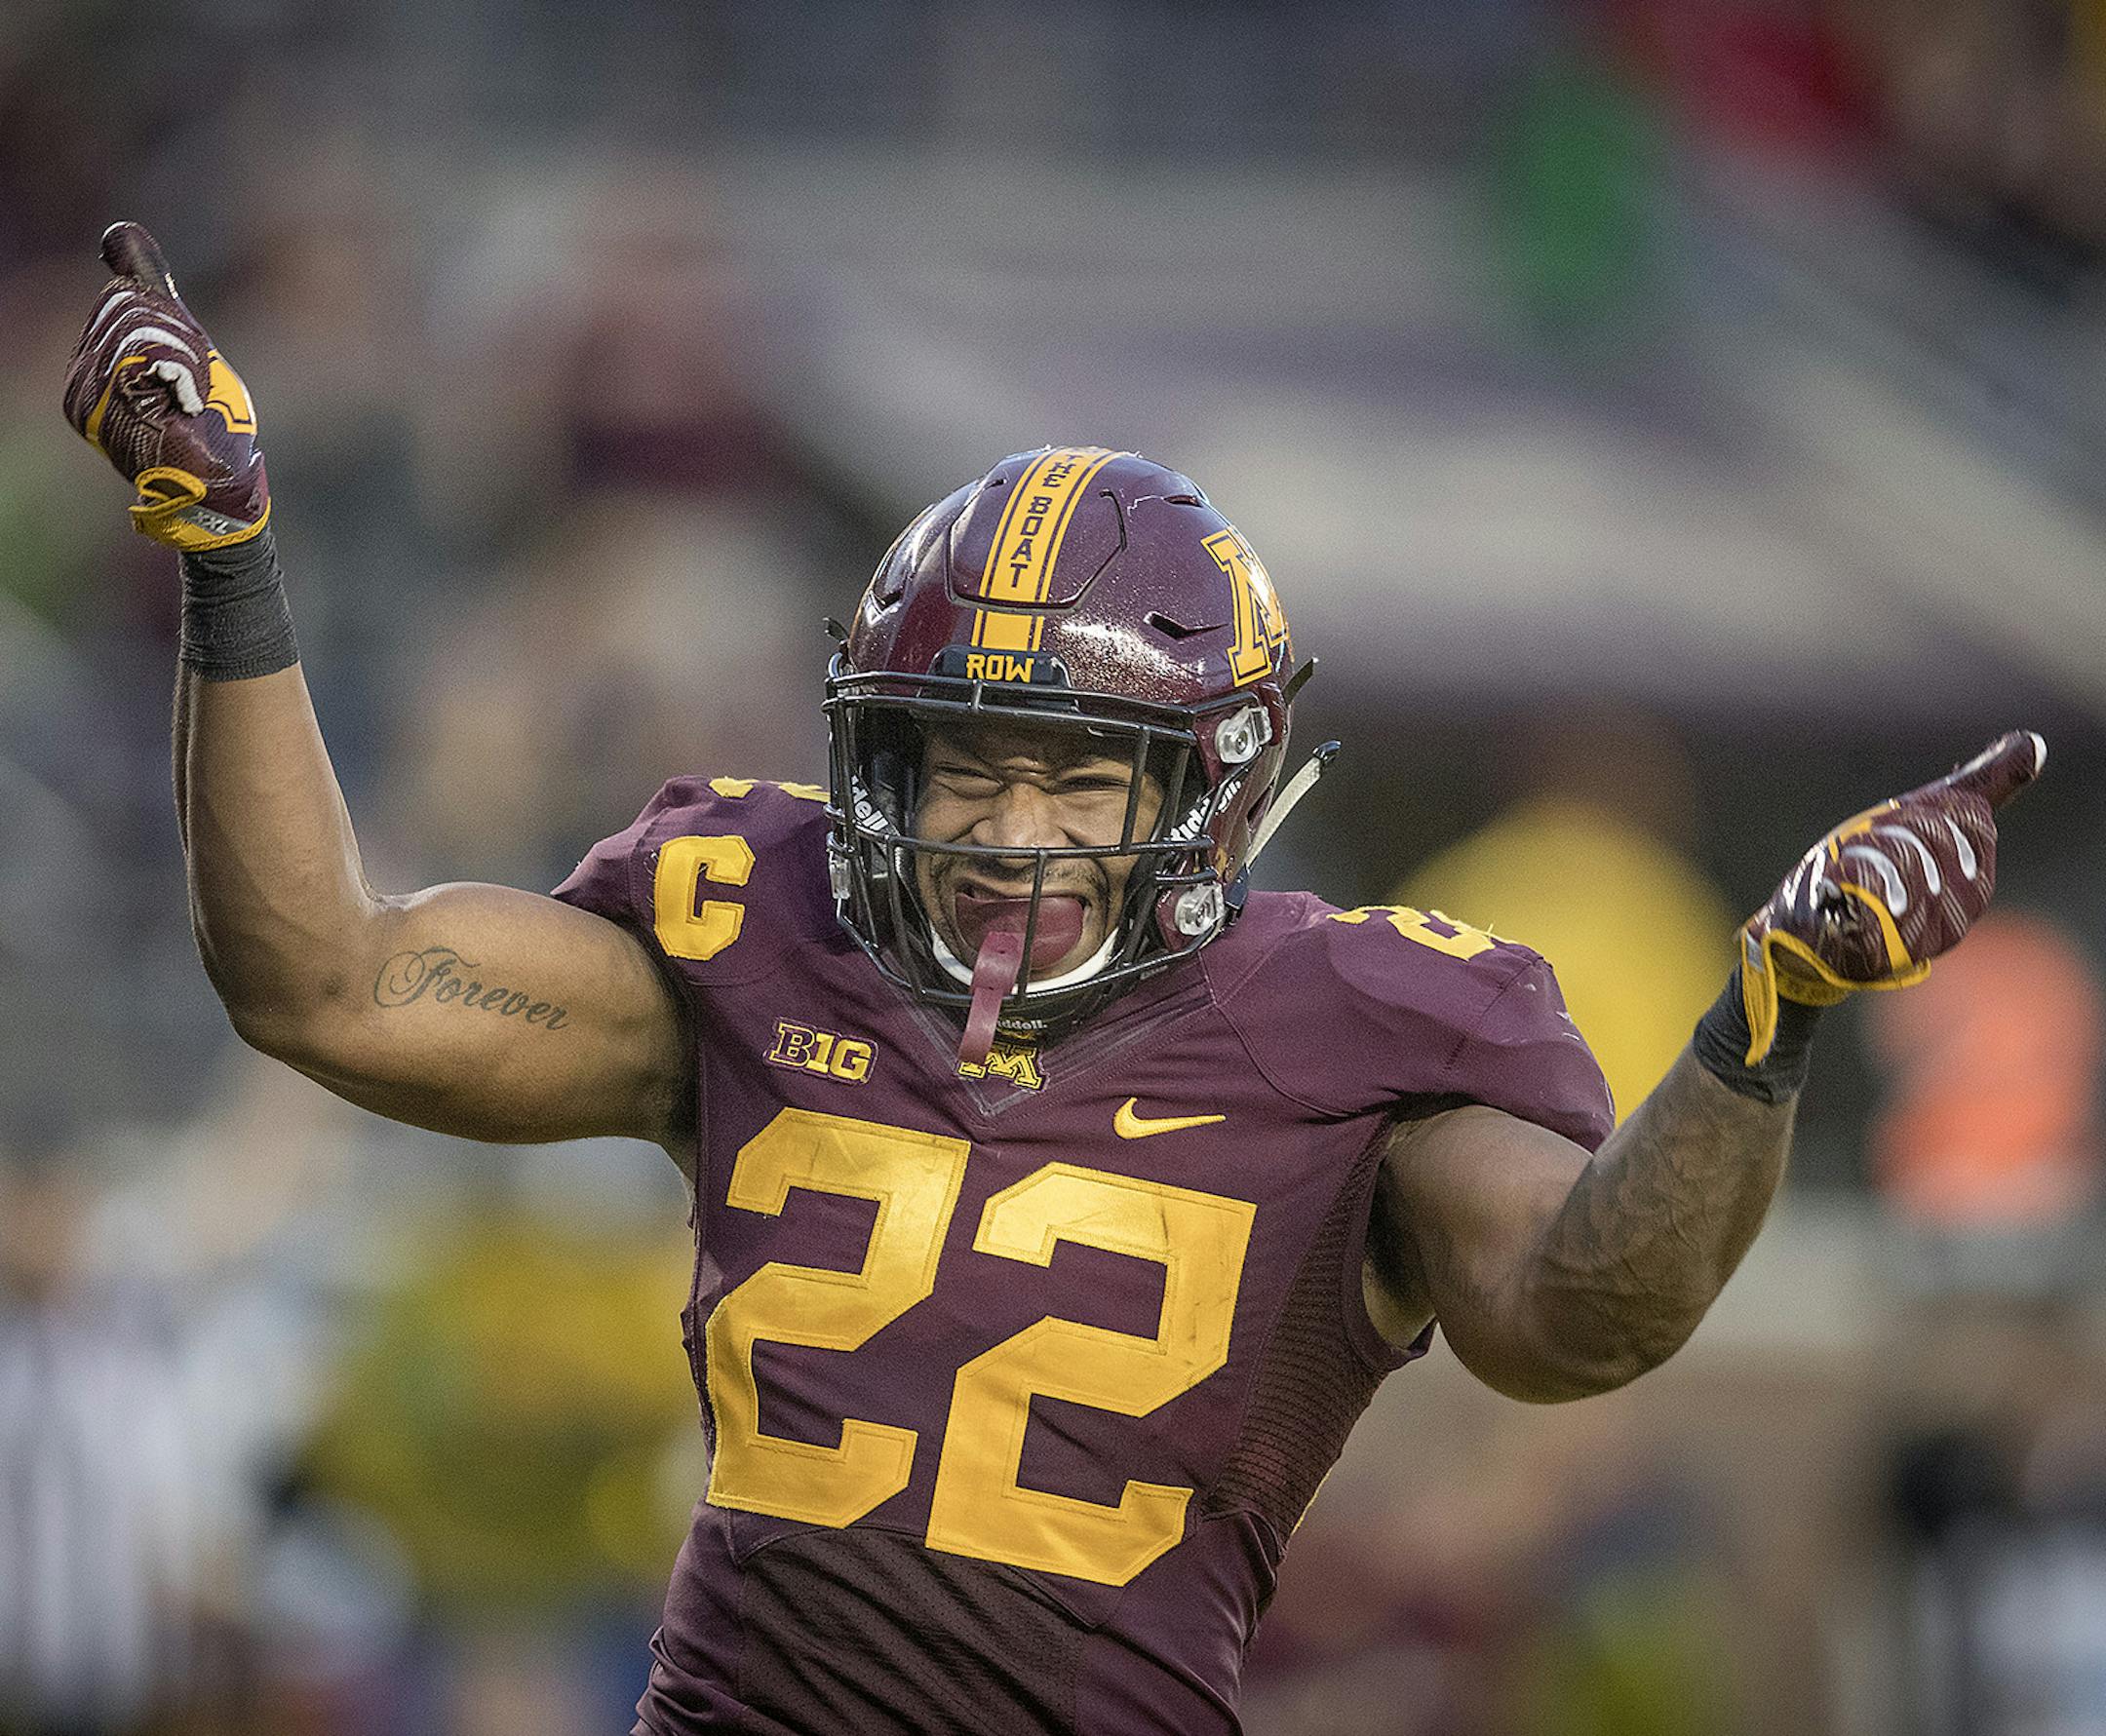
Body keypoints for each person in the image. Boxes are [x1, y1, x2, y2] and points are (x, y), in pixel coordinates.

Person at [63, 221, 2045, 1736]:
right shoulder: (767, 924)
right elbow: (326, 982)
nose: (1012, 831)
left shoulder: (1365, 1027)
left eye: (1080, 778)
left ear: (1212, 791)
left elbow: (1573, 1316)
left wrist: (1759, 1029)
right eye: (965, 765)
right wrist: (231, 559)